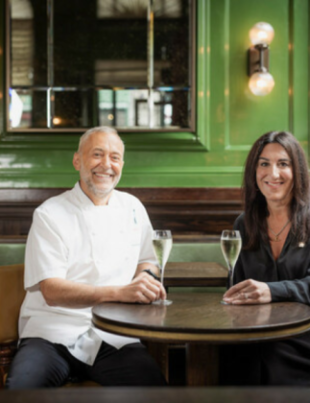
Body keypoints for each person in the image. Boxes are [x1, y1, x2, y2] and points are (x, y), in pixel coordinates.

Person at [6, 126, 167, 389]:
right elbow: (52, 291)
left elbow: (148, 260)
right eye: (97, 154)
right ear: (77, 161)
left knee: (156, 391)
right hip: (50, 334)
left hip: (112, 334)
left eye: (115, 157)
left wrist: (145, 280)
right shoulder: (50, 214)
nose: (106, 164)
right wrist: (122, 292)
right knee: (21, 390)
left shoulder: (133, 207)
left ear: (122, 164)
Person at [220, 131, 310, 386]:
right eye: (264, 164)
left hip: (302, 337)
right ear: (254, 171)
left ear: (298, 171)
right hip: (254, 336)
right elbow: (235, 291)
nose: (273, 174)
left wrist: (272, 291)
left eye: (283, 164)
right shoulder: (244, 223)